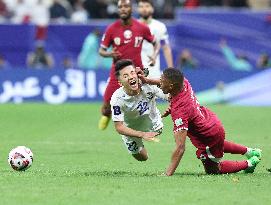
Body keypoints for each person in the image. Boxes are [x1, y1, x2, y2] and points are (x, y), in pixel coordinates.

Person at [140, 68, 262, 175]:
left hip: (208, 136)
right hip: (211, 121)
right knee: (218, 144)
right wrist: (147, 80)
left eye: (162, 81)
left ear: (171, 86)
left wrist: (168, 173)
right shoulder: (183, 83)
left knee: (213, 170)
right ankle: (250, 151)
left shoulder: (180, 111)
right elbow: (170, 87)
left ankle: (249, 163)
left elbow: (180, 148)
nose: (159, 83)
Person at [98, 0, 159, 130]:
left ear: (132, 9)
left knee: (141, 102)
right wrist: (109, 54)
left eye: (126, 6)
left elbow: (156, 43)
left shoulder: (142, 28)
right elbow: (101, 51)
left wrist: (154, 55)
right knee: (105, 106)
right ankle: (107, 115)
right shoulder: (111, 29)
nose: (123, 9)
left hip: (136, 72)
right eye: (120, 7)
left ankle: (144, 126)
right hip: (118, 72)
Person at [111, 59, 168, 161]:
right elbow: (119, 127)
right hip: (132, 132)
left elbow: (170, 94)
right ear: (120, 83)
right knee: (142, 158)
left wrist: (173, 105)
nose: (131, 77)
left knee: (159, 130)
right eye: (125, 76)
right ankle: (136, 144)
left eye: (132, 73)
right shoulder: (117, 99)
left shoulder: (148, 84)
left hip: (155, 126)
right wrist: (142, 134)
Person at [137, 0, 173, 78]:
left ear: (152, 9)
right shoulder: (133, 26)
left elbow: (166, 48)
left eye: (147, 6)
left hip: (153, 71)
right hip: (136, 70)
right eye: (141, 7)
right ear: (138, 9)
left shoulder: (160, 26)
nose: (144, 9)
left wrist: (171, 69)